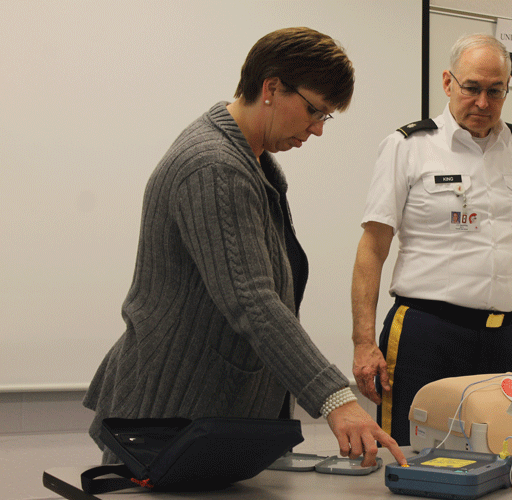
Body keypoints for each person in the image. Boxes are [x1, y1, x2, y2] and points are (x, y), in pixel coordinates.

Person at [83, 27, 405, 467]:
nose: (317, 129)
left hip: (213, 416)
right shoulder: (215, 167)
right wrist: (335, 397)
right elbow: (252, 301)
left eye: (325, 117)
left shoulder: (253, 163)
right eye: (315, 111)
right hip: (173, 419)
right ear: (271, 87)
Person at [351, 33, 512, 445]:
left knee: (499, 453)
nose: (483, 102)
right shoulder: (408, 146)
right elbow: (373, 247)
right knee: (410, 454)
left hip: (502, 339)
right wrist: (364, 342)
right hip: (425, 333)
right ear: (447, 83)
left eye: (496, 91)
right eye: (472, 88)